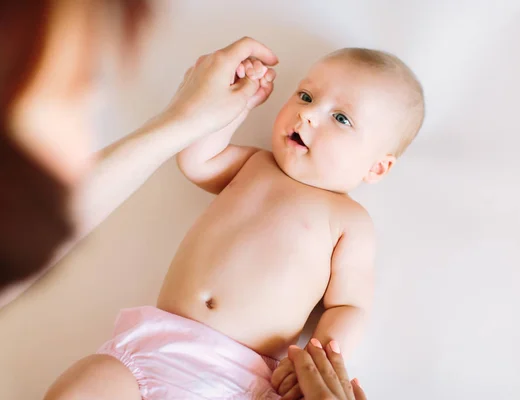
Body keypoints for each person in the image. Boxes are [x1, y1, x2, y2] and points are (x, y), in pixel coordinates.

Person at [44, 47, 424, 399]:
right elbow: (197, 162)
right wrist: (233, 109)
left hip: (241, 376)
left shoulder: (349, 221)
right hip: (155, 344)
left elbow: (349, 305)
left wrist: (314, 356)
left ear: (378, 166)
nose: (308, 113)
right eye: (305, 96)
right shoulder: (255, 165)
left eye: (341, 118)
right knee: (84, 384)